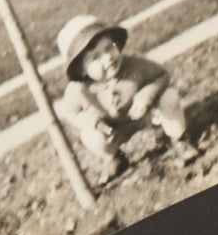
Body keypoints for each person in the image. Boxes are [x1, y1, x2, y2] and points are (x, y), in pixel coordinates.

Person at [55, 14, 200, 185]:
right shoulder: (79, 89)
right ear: (81, 70)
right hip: (113, 131)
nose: (108, 57)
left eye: (109, 48)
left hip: (147, 114)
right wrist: (96, 122)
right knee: (89, 135)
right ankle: (116, 159)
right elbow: (72, 113)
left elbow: (162, 75)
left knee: (170, 97)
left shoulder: (134, 65)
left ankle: (179, 139)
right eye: (95, 57)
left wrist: (147, 95)